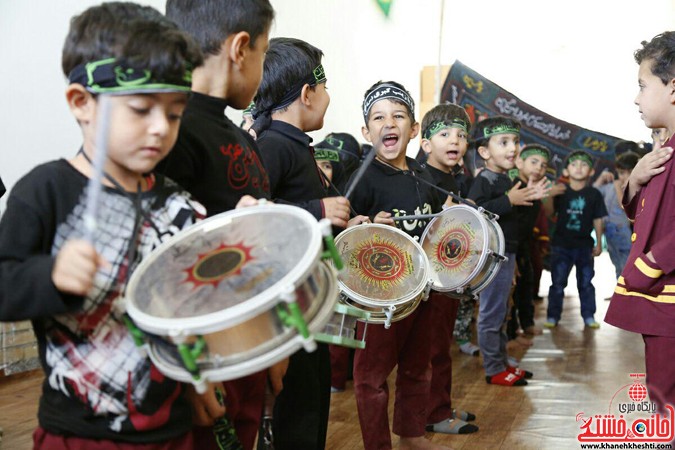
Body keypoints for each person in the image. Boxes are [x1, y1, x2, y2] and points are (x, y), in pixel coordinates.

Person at [0, 4, 207, 447]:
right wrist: (50, 275)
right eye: (140, 109)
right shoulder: (44, 191)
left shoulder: (177, 202)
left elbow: (192, 310)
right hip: (80, 432)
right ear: (81, 103)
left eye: (174, 113)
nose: (160, 129)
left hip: (173, 426)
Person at [155, 1, 277, 448]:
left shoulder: (237, 134)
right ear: (241, 48)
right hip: (198, 358)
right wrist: (191, 372)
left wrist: (272, 339)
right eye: (265, 52)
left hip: (247, 344)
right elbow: (161, 262)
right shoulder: (171, 129)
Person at [252, 37, 353, 450]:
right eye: (325, 88)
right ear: (308, 93)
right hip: (287, 305)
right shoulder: (274, 145)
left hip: (310, 300)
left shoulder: (295, 146)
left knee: (313, 398)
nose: (328, 97)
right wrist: (317, 210)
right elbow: (257, 214)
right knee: (298, 405)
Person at [347, 80, 450, 450]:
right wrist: (366, 224)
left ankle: (410, 434)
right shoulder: (361, 177)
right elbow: (345, 234)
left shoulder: (424, 175)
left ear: (414, 129)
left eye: (398, 115)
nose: (388, 123)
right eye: (378, 117)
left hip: (421, 290)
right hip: (378, 297)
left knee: (417, 366)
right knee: (371, 377)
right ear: (366, 130)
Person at [605, 31, 675, 418]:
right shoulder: (664, 151)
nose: (636, 98)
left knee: (665, 400)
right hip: (661, 299)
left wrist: (647, 265)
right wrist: (635, 180)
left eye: (643, 86)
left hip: (667, 296)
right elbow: (651, 214)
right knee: (660, 393)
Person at [467, 116, 547, 387]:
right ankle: (493, 368)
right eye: (504, 142)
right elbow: (474, 214)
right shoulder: (485, 181)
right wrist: (508, 201)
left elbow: (519, 223)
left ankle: (501, 361)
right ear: (485, 152)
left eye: (514, 141)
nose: (512, 148)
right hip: (492, 256)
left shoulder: (506, 180)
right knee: (491, 313)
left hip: (508, 254)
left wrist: (528, 199)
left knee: (502, 311)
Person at [419, 102, 478, 435]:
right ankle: (434, 413)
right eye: (444, 134)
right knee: (432, 349)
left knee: (442, 346)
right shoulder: (422, 177)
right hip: (430, 279)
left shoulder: (455, 178)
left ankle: (440, 404)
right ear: (426, 143)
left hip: (448, 276)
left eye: (460, 135)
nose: (454, 140)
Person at [543, 150, 607, 328]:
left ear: (591, 171)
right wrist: (549, 195)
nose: (578, 168)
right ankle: (553, 317)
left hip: (584, 246)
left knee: (586, 283)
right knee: (557, 283)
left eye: (584, 164)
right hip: (561, 245)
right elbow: (548, 213)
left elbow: (598, 219)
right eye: (574, 164)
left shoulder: (594, 194)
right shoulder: (560, 191)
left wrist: (599, 242)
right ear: (565, 171)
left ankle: (589, 316)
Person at [507, 144, 552, 340]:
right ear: (519, 162)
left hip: (525, 245)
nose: (538, 168)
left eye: (543, 165)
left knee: (527, 285)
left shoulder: (535, 189)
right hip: (510, 246)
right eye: (533, 162)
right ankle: (511, 332)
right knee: (511, 291)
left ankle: (527, 324)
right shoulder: (514, 187)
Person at [592, 151, 640, 279]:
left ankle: (627, 293)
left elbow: (624, 206)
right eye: (621, 173)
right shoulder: (610, 187)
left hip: (624, 232)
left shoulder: (637, 188)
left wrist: (619, 188)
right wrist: (600, 180)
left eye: (630, 172)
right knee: (616, 263)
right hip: (608, 231)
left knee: (627, 264)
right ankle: (619, 291)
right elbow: (592, 194)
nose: (625, 177)